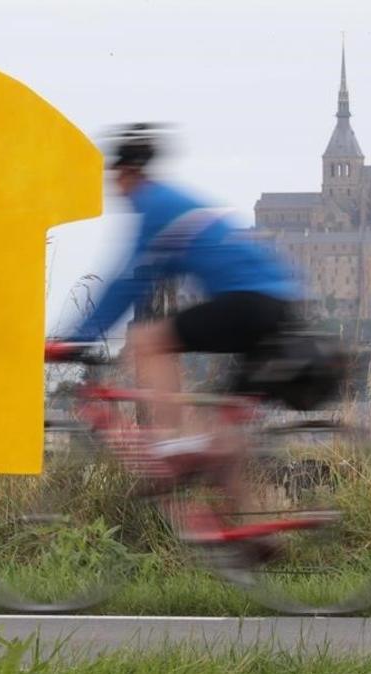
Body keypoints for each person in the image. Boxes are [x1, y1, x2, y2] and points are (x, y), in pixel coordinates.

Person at [58, 123, 304, 492]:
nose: (115, 186)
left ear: (127, 173)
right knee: (224, 435)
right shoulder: (174, 202)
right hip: (277, 306)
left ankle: (171, 442)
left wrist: (76, 339)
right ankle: (250, 535)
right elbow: (148, 278)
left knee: (147, 342)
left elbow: (127, 281)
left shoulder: (154, 206)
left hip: (250, 302)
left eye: (116, 177)